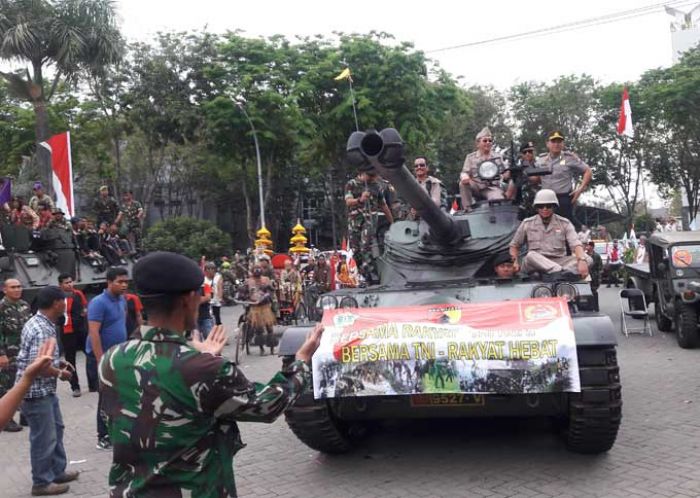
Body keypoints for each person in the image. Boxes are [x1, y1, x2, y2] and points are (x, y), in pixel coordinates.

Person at [98, 251, 322, 498]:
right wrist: (301, 360)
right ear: (189, 299)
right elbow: (268, 405)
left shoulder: (113, 358)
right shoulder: (202, 369)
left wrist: (198, 355)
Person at [16, 286, 78, 496]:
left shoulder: (44, 323)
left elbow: (44, 358)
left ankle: (56, 471)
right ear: (56, 304)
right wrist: (61, 374)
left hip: (45, 391)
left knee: (56, 429)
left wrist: (59, 361)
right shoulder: (41, 328)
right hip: (35, 393)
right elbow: (39, 367)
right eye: (63, 300)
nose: (66, 303)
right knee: (44, 437)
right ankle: (41, 482)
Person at [86, 267, 128, 450]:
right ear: (109, 282)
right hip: (103, 358)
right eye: (120, 282)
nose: (124, 285)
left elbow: (122, 323)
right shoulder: (98, 303)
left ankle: (118, 431)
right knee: (106, 397)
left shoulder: (122, 300)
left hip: (118, 356)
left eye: (126, 281)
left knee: (120, 395)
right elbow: (94, 333)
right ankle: (103, 436)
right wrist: (100, 359)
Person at [509, 189, 591, 278]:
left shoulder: (564, 223)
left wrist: (582, 260)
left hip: (559, 260)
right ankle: (561, 272)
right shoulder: (527, 223)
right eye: (541, 206)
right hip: (535, 263)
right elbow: (514, 245)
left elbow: (576, 245)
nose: (545, 209)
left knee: (588, 259)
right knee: (530, 255)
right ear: (536, 208)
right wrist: (514, 262)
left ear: (554, 207)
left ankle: (555, 273)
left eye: (548, 206)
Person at [345, 167, 394, 283]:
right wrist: (360, 200)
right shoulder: (351, 184)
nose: (374, 178)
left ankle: (372, 275)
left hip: (369, 220)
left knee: (365, 247)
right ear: (363, 173)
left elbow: (383, 205)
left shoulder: (376, 186)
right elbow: (348, 201)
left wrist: (392, 223)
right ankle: (363, 274)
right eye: (371, 176)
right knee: (355, 250)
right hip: (355, 221)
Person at [535, 131, 592, 225]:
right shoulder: (540, 160)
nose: (556, 144)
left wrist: (580, 189)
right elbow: (536, 179)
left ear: (563, 144)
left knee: (565, 226)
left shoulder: (569, 158)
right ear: (547, 144)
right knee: (544, 226)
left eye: (559, 141)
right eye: (553, 141)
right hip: (545, 199)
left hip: (563, 198)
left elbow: (588, 171)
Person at [0, 339, 55, 431]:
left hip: (16, 339)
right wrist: (1, 353)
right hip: (6, 335)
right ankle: (7, 418)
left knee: (16, 373)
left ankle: (24, 413)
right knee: (5, 381)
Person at [0, 278, 33, 432]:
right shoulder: (1, 308)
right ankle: (7, 419)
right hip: (8, 353)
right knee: (6, 386)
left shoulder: (25, 306)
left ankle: (25, 416)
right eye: (13, 287)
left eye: (19, 286)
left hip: (23, 352)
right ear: (4, 290)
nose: (17, 289)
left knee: (24, 383)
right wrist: (1, 354)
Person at [459, 127, 506, 211]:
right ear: (478, 144)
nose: (488, 143)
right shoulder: (470, 157)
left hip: (492, 187)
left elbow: (505, 172)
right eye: (485, 141)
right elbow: (464, 172)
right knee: (463, 184)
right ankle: (467, 209)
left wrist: (506, 174)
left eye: (490, 141)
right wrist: (464, 177)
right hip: (476, 185)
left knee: (497, 200)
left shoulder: (498, 157)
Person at [57, 274, 88, 397]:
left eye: (70, 282)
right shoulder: (57, 297)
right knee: (70, 361)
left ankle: (94, 383)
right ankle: (75, 387)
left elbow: (85, 308)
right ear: (60, 285)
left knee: (90, 355)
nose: (69, 284)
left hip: (80, 331)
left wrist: (83, 316)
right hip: (66, 332)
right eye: (66, 283)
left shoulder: (78, 294)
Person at [237, 264, 278, 355]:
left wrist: (263, 298)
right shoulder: (248, 281)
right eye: (255, 269)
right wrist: (243, 297)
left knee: (269, 328)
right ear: (252, 271)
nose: (257, 271)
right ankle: (261, 349)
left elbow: (271, 291)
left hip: (265, 307)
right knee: (259, 330)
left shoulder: (266, 280)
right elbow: (242, 293)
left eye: (258, 269)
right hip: (254, 308)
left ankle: (272, 348)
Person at [406, 156, 446, 221]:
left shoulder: (435, 183)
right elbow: (405, 207)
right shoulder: (409, 186)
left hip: (434, 220)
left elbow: (441, 205)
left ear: (427, 168)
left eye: (422, 165)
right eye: (416, 166)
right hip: (414, 222)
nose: (419, 167)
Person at [586, 241, 603, 312]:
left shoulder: (597, 256)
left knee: (594, 291)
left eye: (588, 246)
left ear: (592, 247)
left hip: (594, 276)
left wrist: (599, 277)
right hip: (586, 276)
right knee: (587, 292)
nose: (587, 247)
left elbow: (600, 267)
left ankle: (596, 308)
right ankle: (589, 307)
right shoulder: (585, 255)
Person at [197, 270, 214, 339]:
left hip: (205, 316)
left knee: (208, 337)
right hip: (193, 318)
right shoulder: (190, 287)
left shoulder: (206, 286)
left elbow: (208, 297)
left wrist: (195, 300)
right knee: (197, 340)